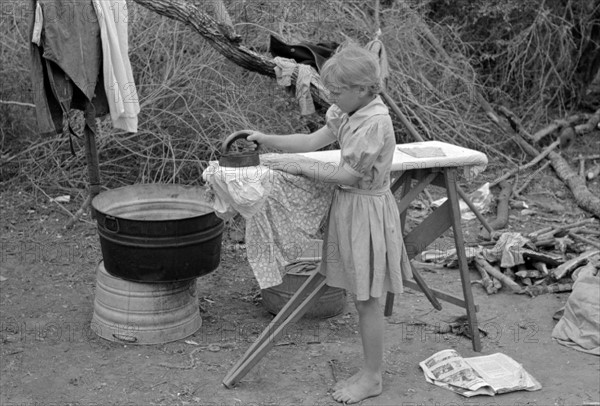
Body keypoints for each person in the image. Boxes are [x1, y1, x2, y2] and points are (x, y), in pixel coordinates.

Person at [247, 45, 411, 404]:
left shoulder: (374, 122)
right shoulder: (349, 110)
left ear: (365, 89)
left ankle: (372, 377)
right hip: (350, 210)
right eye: (331, 91)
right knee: (360, 292)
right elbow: (312, 141)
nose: (332, 97)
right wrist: (266, 140)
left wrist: (300, 166)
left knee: (367, 298)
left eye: (337, 91)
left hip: (367, 212)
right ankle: (370, 370)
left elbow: (348, 175)